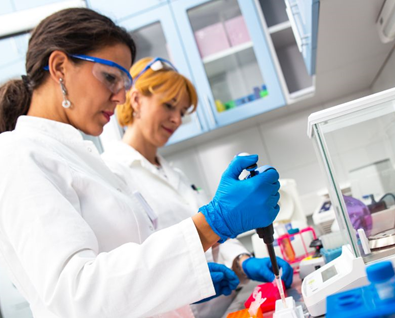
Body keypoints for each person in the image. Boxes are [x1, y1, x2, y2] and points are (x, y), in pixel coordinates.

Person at [0, 8, 280, 318]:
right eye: (110, 78)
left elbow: (129, 273)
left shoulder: (79, 157)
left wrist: (186, 278)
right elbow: (76, 297)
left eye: (124, 82)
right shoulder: (16, 154)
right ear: (60, 67)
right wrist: (210, 224)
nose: (121, 96)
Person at [101, 57, 293, 315]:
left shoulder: (174, 174)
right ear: (136, 100)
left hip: (226, 307)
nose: (177, 119)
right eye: (169, 106)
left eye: (181, 112)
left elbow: (210, 235)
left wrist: (243, 262)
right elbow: (133, 271)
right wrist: (182, 285)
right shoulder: (111, 173)